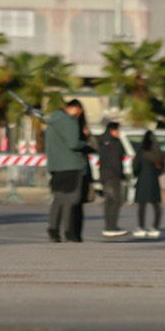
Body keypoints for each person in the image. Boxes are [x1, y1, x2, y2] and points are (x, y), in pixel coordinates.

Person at [45, 98, 92, 242]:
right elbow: (73, 143)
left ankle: (53, 229)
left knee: (58, 199)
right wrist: (86, 143)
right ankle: (69, 231)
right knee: (71, 200)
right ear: (76, 108)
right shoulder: (69, 122)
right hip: (72, 166)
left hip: (56, 166)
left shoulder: (53, 121)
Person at [95, 119, 129, 238]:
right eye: (117, 130)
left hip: (104, 175)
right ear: (112, 130)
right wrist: (121, 175)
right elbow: (116, 160)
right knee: (116, 200)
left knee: (109, 201)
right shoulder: (115, 143)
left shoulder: (102, 141)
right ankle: (112, 226)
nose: (118, 133)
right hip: (113, 176)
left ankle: (108, 225)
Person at [132, 128, 165, 239]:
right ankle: (155, 227)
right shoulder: (158, 152)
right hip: (154, 181)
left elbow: (136, 167)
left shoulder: (141, 152)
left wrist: (135, 173)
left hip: (142, 180)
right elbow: (162, 168)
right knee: (156, 205)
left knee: (141, 205)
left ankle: (141, 227)